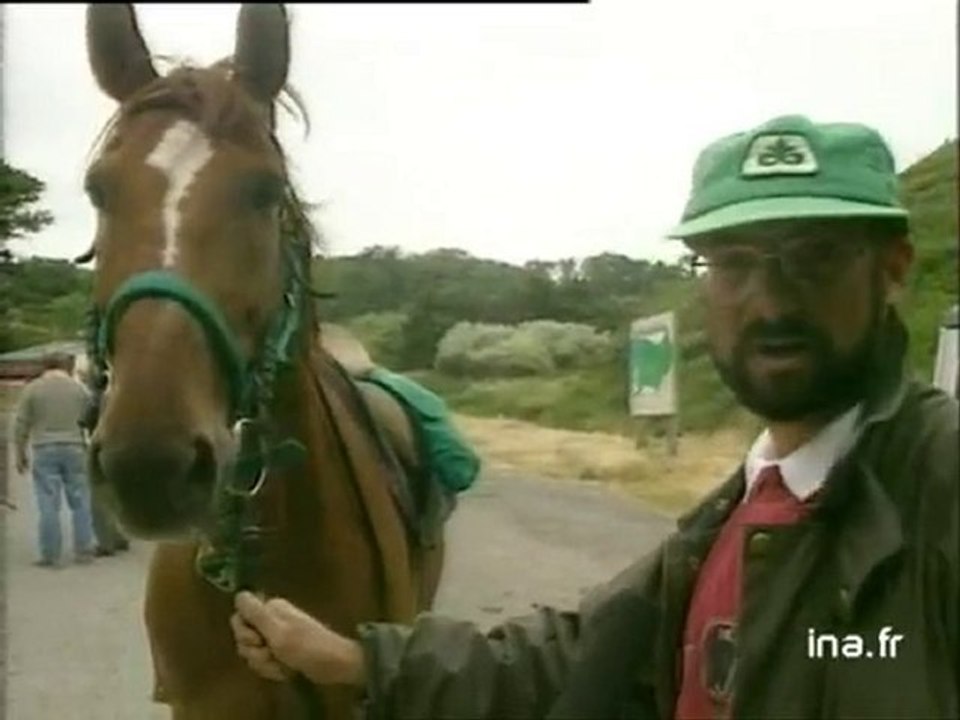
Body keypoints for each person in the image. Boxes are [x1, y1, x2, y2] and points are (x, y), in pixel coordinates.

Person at [230, 115, 959, 718]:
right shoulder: (736, 512)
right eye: (734, 264)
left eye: (815, 258)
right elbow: (575, 654)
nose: (770, 303)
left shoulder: (941, 483)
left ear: (893, 268)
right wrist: (360, 661)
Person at [13, 351, 99, 567]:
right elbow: (92, 417)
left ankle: (50, 554)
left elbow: (21, 423)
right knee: (80, 501)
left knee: (48, 503)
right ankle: (84, 550)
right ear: (66, 366)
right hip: (75, 447)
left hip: (44, 447)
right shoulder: (79, 389)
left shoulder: (33, 389)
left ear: (44, 366)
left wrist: (20, 453)